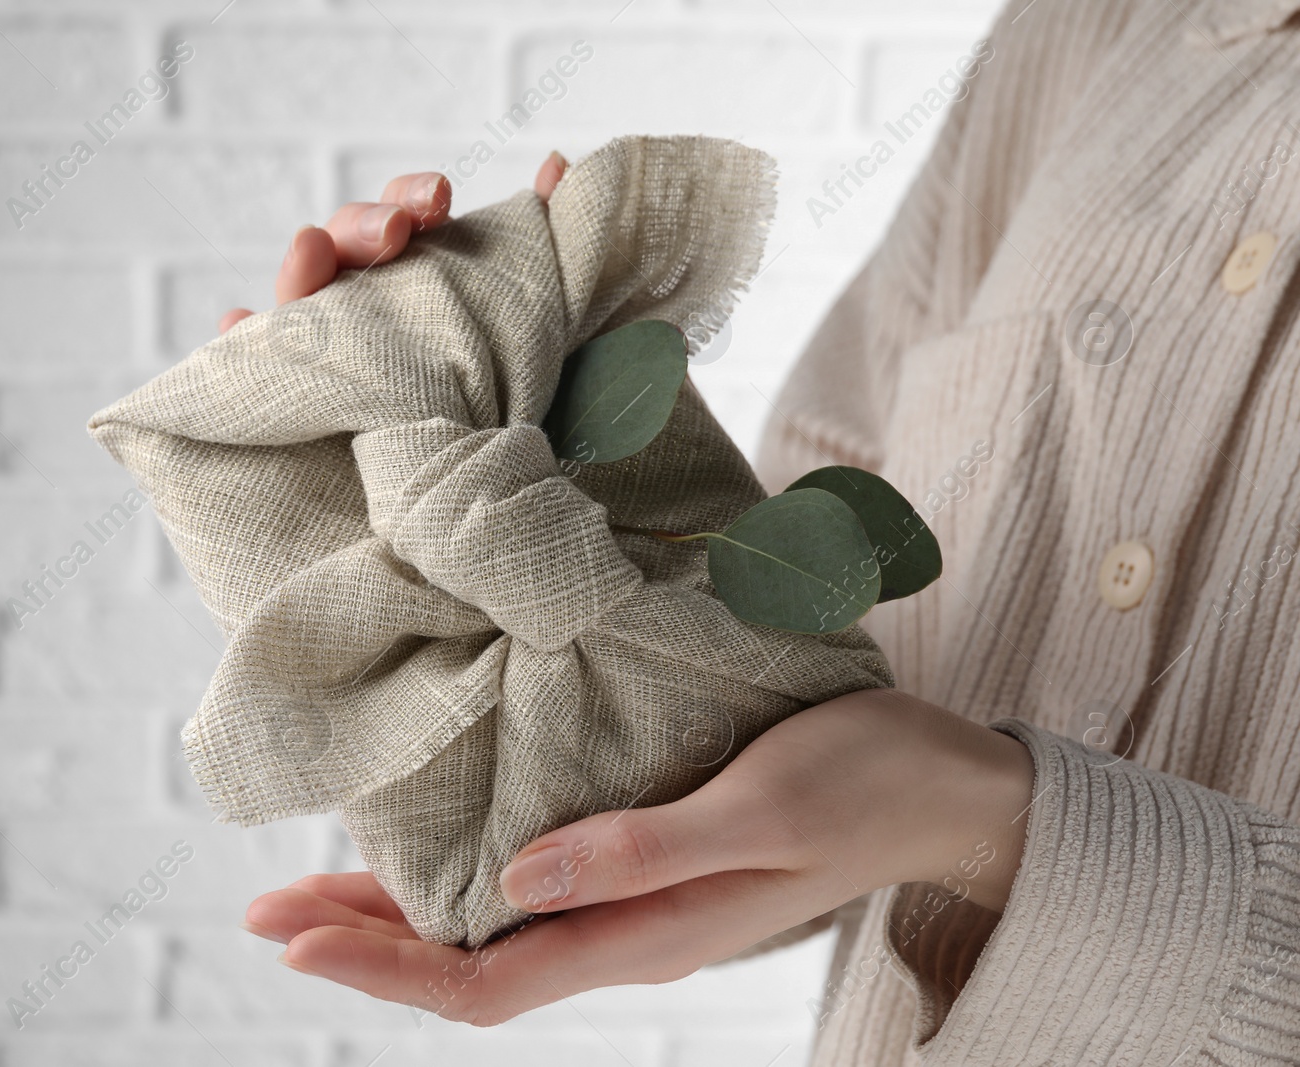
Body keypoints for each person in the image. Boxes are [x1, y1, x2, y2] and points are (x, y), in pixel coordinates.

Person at [233, 0, 1300, 1060]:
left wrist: (978, 814)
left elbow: (891, 783)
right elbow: (788, 649)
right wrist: (469, 476)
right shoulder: (1094, 29)